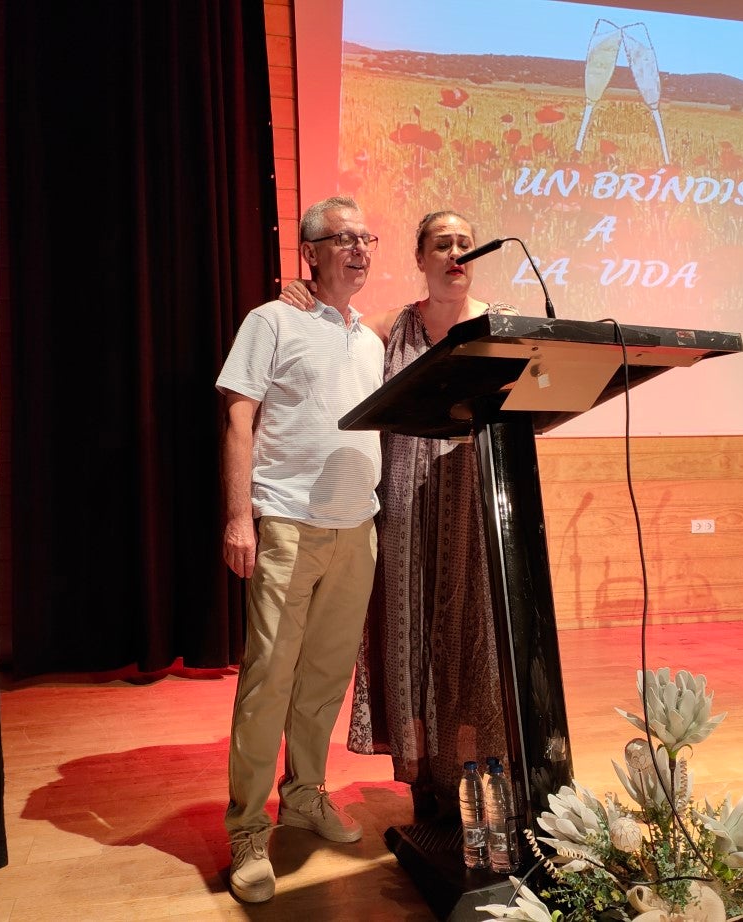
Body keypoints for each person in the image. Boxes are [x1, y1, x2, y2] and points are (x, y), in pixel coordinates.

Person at [280, 210, 516, 820]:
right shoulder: (390, 328)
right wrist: (299, 295)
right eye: (443, 244)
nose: (457, 254)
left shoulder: (499, 327)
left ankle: (472, 775)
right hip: (405, 512)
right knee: (407, 635)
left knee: (472, 633)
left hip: (471, 506)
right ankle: (422, 781)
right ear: (421, 259)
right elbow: (335, 328)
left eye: (465, 244)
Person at [216, 195, 385, 904]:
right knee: (268, 682)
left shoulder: (370, 339)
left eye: (364, 238)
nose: (357, 249)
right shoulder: (272, 319)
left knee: (323, 680)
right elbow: (238, 415)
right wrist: (239, 517)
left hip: (357, 529)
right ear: (308, 252)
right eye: (341, 239)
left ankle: (306, 794)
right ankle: (247, 830)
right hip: (285, 522)